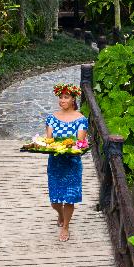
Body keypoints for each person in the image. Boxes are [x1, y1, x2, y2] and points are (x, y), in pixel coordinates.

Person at [45, 83, 88, 242]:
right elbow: (49, 140)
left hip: (72, 163)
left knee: (69, 197)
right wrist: (47, 144)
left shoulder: (81, 119)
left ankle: (66, 227)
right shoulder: (51, 118)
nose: (62, 100)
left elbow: (80, 141)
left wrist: (72, 145)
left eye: (66, 97)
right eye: (61, 97)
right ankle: (60, 213)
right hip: (55, 163)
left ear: (73, 99)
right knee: (55, 201)